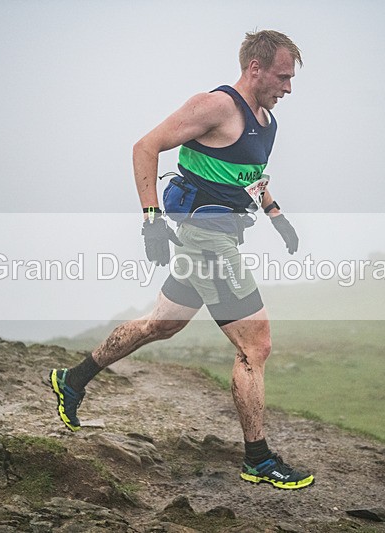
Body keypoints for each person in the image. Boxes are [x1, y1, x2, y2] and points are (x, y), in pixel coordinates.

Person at [50, 29, 313, 490]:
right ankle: (258, 458)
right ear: (255, 68)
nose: (288, 88)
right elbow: (145, 146)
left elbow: (250, 175)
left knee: (162, 323)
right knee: (256, 344)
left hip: (221, 233)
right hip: (206, 237)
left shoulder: (266, 121)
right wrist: (151, 219)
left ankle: (73, 379)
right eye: (282, 76)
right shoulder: (215, 106)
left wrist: (277, 216)